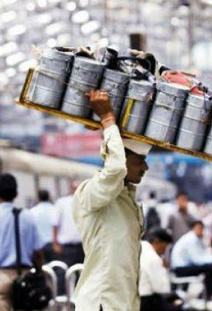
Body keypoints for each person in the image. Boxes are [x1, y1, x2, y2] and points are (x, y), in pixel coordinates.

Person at [72, 90, 151, 311]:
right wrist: (107, 120)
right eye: (140, 160)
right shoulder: (93, 192)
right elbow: (115, 169)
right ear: (122, 157)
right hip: (101, 304)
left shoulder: (127, 200)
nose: (146, 168)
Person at [0, 173, 43, 311]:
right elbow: (37, 252)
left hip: (2, 277)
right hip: (25, 276)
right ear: (16, 193)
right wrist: (39, 272)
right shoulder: (29, 216)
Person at [171, 221, 212, 299]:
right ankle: (208, 295)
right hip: (180, 269)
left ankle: (205, 294)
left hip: (184, 266)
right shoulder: (191, 239)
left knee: (210, 266)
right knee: (210, 268)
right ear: (192, 228)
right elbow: (197, 260)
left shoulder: (195, 238)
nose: (201, 230)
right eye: (199, 228)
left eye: (202, 228)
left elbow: (200, 256)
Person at [140, 228, 181, 311]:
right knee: (177, 303)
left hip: (133, 297)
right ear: (157, 242)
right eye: (165, 247)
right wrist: (164, 269)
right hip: (145, 301)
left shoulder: (140, 248)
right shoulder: (153, 258)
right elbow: (160, 289)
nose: (164, 251)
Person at [52, 181, 84, 267]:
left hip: (81, 246)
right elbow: (55, 224)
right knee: (64, 271)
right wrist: (55, 243)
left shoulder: (84, 201)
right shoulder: (61, 202)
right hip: (66, 247)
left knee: (80, 273)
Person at [30, 189, 56, 263]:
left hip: (40, 246)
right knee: (57, 268)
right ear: (48, 197)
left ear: (38, 198)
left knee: (44, 269)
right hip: (54, 245)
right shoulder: (55, 209)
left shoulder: (33, 211)